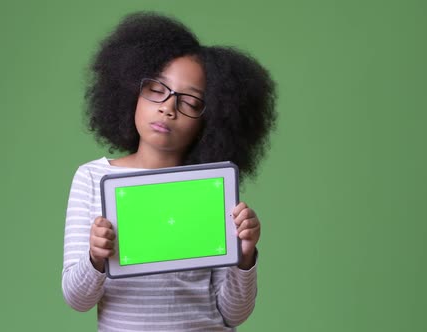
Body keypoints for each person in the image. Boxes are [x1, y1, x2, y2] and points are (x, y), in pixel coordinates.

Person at [62, 12, 277, 331]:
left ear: (212, 120)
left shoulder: (212, 187)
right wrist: (96, 258)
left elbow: (234, 314)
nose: (168, 107)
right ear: (131, 91)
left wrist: (244, 256)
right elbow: (77, 299)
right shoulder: (93, 178)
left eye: (190, 102)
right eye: (156, 88)